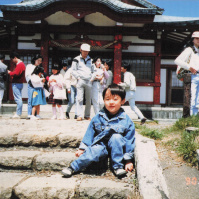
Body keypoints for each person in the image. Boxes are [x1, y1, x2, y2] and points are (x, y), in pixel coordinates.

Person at [61, 84, 135, 178]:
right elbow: (90, 132)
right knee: (93, 151)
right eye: (107, 99)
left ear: (123, 101)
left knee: (116, 137)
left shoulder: (126, 121)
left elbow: (129, 140)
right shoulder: (98, 117)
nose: (111, 102)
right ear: (103, 100)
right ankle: (73, 167)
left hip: (117, 146)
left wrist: (128, 160)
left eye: (115, 99)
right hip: (101, 145)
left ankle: (117, 167)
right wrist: (83, 148)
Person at [175, 31, 199, 116]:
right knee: (193, 97)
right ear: (193, 40)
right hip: (193, 75)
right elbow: (177, 60)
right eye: (197, 38)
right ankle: (192, 117)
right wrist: (189, 67)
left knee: (198, 99)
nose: (198, 40)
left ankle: (196, 119)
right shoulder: (189, 50)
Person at [71, 43, 95, 121]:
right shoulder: (76, 59)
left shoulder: (91, 60)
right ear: (81, 50)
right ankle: (79, 115)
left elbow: (94, 71)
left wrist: (92, 78)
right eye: (84, 51)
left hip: (89, 81)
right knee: (79, 99)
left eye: (87, 51)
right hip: (80, 80)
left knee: (88, 99)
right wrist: (78, 78)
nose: (86, 53)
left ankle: (87, 115)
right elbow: (73, 70)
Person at [8, 52, 26, 119]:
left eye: (12, 59)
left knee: (18, 98)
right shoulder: (20, 64)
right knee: (18, 98)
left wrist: (10, 73)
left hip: (17, 83)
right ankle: (18, 112)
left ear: (15, 57)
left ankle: (18, 113)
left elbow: (16, 73)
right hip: (19, 83)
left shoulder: (20, 64)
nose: (12, 61)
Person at [25, 54, 43, 119]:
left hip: (37, 85)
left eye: (40, 61)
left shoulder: (40, 67)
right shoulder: (29, 66)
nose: (39, 62)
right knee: (30, 99)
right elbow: (27, 76)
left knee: (37, 100)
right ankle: (29, 114)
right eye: (38, 60)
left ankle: (35, 114)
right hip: (31, 84)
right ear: (35, 60)